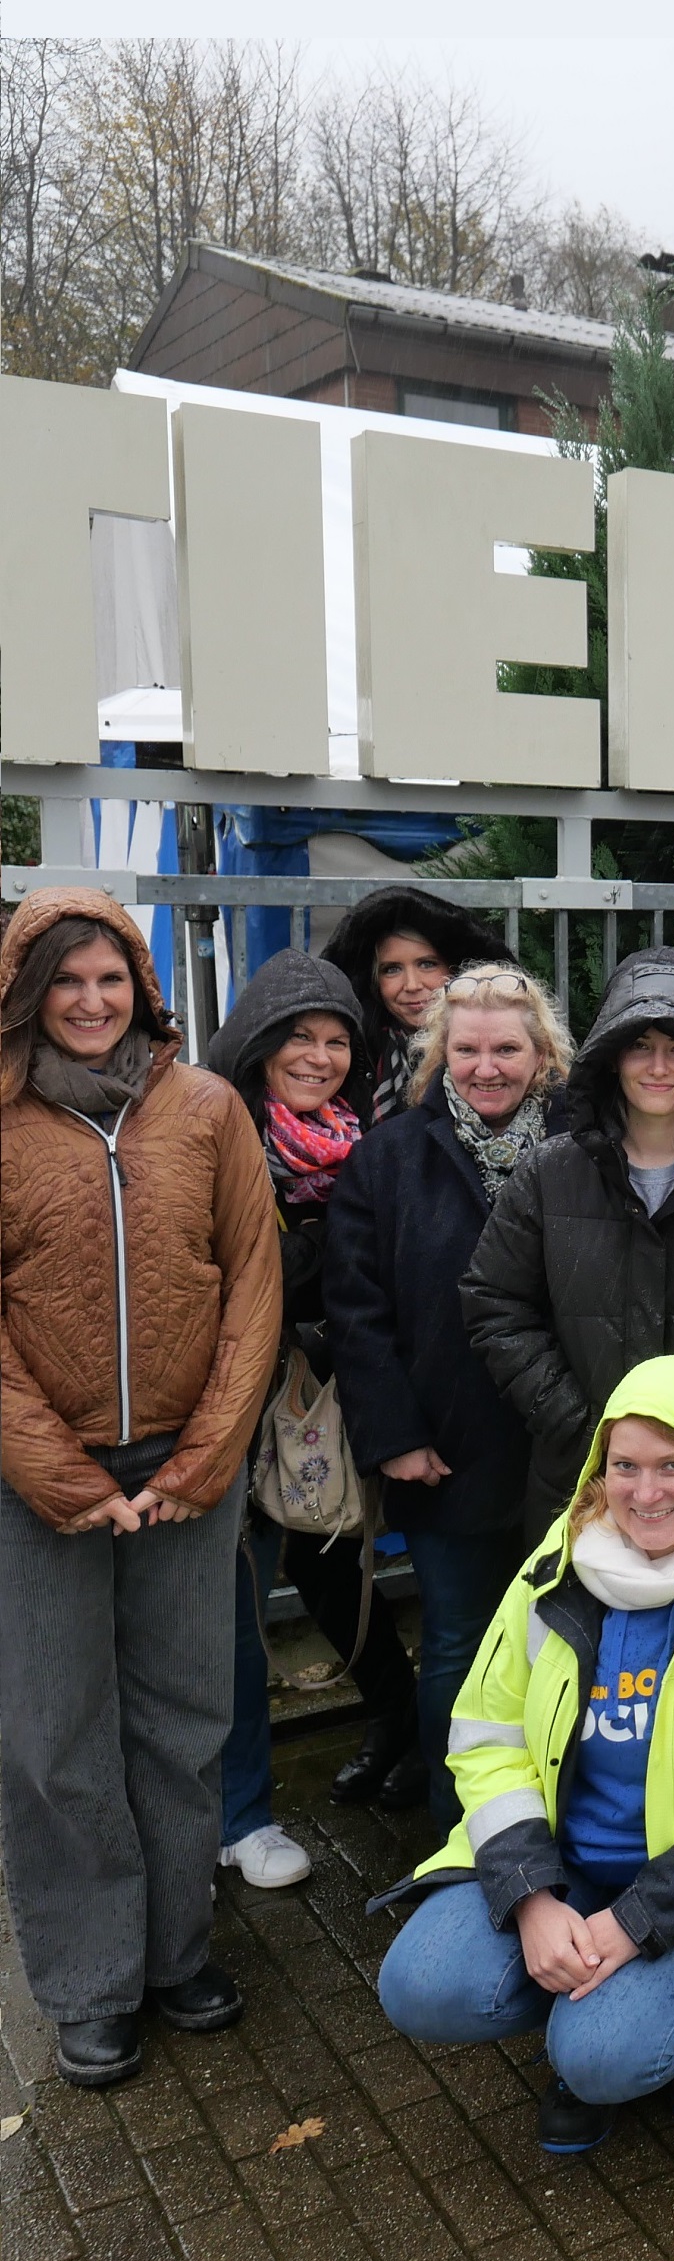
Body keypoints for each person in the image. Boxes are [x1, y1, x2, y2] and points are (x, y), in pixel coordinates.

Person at [374, 1358, 674, 2156]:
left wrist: (637, 1921)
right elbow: (487, 1736)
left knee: (601, 2059)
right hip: (567, 1867)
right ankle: (587, 1993)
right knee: (419, 1985)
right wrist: (531, 1897)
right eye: (623, 1466)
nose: (645, 1492)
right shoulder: (557, 1565)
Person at [0, 889, 281, 2089]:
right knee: (55, 1734)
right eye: (65, 980)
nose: (90, 1000)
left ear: (144, 986)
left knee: (182, 1720)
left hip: (184, 1466)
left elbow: (252, 1284)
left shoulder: (207, 1109)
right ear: (26, 991)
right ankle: (92, 1983)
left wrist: (204, 1460)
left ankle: (175, 1954)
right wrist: (58, 1476)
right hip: (34, 1476)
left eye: (110, 978)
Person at [327, 962, 575, 1832]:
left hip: (569, 1449)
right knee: (460, 1650)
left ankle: (559, 1828)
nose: (487, 1066)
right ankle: (457, 1834)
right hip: (446, 1453)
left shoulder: (585, 1147)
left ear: (542, 1054)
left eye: (507, 1047)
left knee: (566, 1648)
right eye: (467, 1049)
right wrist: (393, 1435)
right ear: (440, 1056)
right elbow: (356, 1311)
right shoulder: (389, 1158)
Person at [461, 959, 674, 1532]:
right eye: (640, 1045)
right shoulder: (551, 1172)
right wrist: (580, 1423)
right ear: (612, 1057)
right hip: (580, 1476)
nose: (658, 1067)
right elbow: (493, 1302)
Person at [207, 950, 424, 1814]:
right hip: (232, 1398)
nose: (319, 1056)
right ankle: (234, 1803)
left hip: (324, 1391)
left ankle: (395, 1714)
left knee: (336, 1561)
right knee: (237, 1604)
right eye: (300, 1034)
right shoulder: (217, 1135)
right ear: (260, 1040)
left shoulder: (361, 1143)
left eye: (339, 1039)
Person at [323, 883, 513, 1120]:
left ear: (458, 972)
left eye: (427, 964)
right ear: (375, 982)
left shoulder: (502, 1050)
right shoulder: (357, 1052)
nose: (412, 985)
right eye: (392, 969)